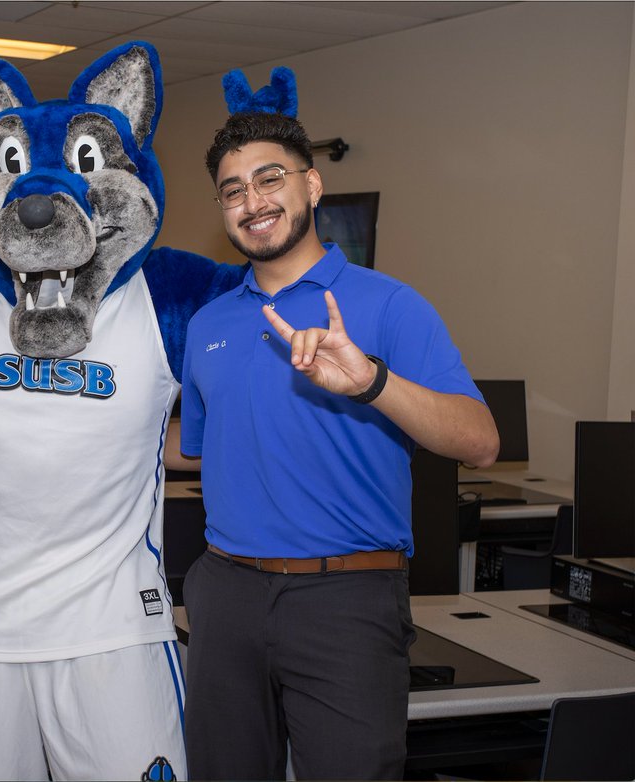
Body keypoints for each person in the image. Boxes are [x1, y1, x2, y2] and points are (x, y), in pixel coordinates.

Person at [178, 108, 500, 780]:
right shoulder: (209, 322)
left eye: (269, 179)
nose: (252, 201)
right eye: (233, 189)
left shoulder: (389, 305)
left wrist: (372, 383)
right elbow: (200, 446)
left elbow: (479, 441)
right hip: (225, 594)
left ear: (313, 186)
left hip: (346, 600)